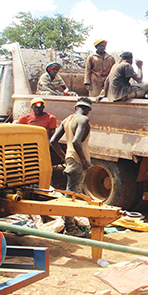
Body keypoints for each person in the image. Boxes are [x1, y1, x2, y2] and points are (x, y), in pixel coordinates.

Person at [50, 97, 94, 238]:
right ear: (87, 109)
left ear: (76, 107)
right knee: (72, 195)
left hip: (70, 159)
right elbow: (76, 142)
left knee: (71, 193)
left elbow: (53, 141)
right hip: (78, 162)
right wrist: (84, 161)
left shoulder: (67, 120)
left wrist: (64, 156)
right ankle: (70, 228)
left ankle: (68, 223)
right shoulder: (83, 120)